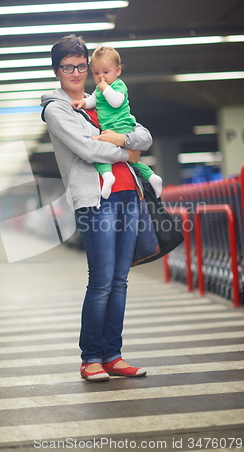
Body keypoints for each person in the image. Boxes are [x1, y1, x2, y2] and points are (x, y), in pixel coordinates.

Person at [41, 34, 153, 382]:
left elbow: (144, 134)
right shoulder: (56, 109)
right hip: (96, 200)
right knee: (102, 282)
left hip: (128, 194)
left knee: (120, 281)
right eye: (67, 67)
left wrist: (123, 140)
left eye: (80, 65)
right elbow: (88, 149)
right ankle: (91, 357)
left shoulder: (104, 97)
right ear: (57, 70)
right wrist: (129, 150)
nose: (75, 72)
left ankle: (113, 356)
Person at [72, 46, 163, 199]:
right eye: (96, 73)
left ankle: (107, 176)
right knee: (132, 162)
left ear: (118, 71)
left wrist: (105, 88)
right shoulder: (99, 89)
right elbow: (93, 100)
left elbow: (116, 102)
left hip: (121, 127)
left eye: (106, 72)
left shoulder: (118, 85)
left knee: (101, 153)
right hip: (110, 129)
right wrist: (83, 103)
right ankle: (153, 177)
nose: (101, 77)